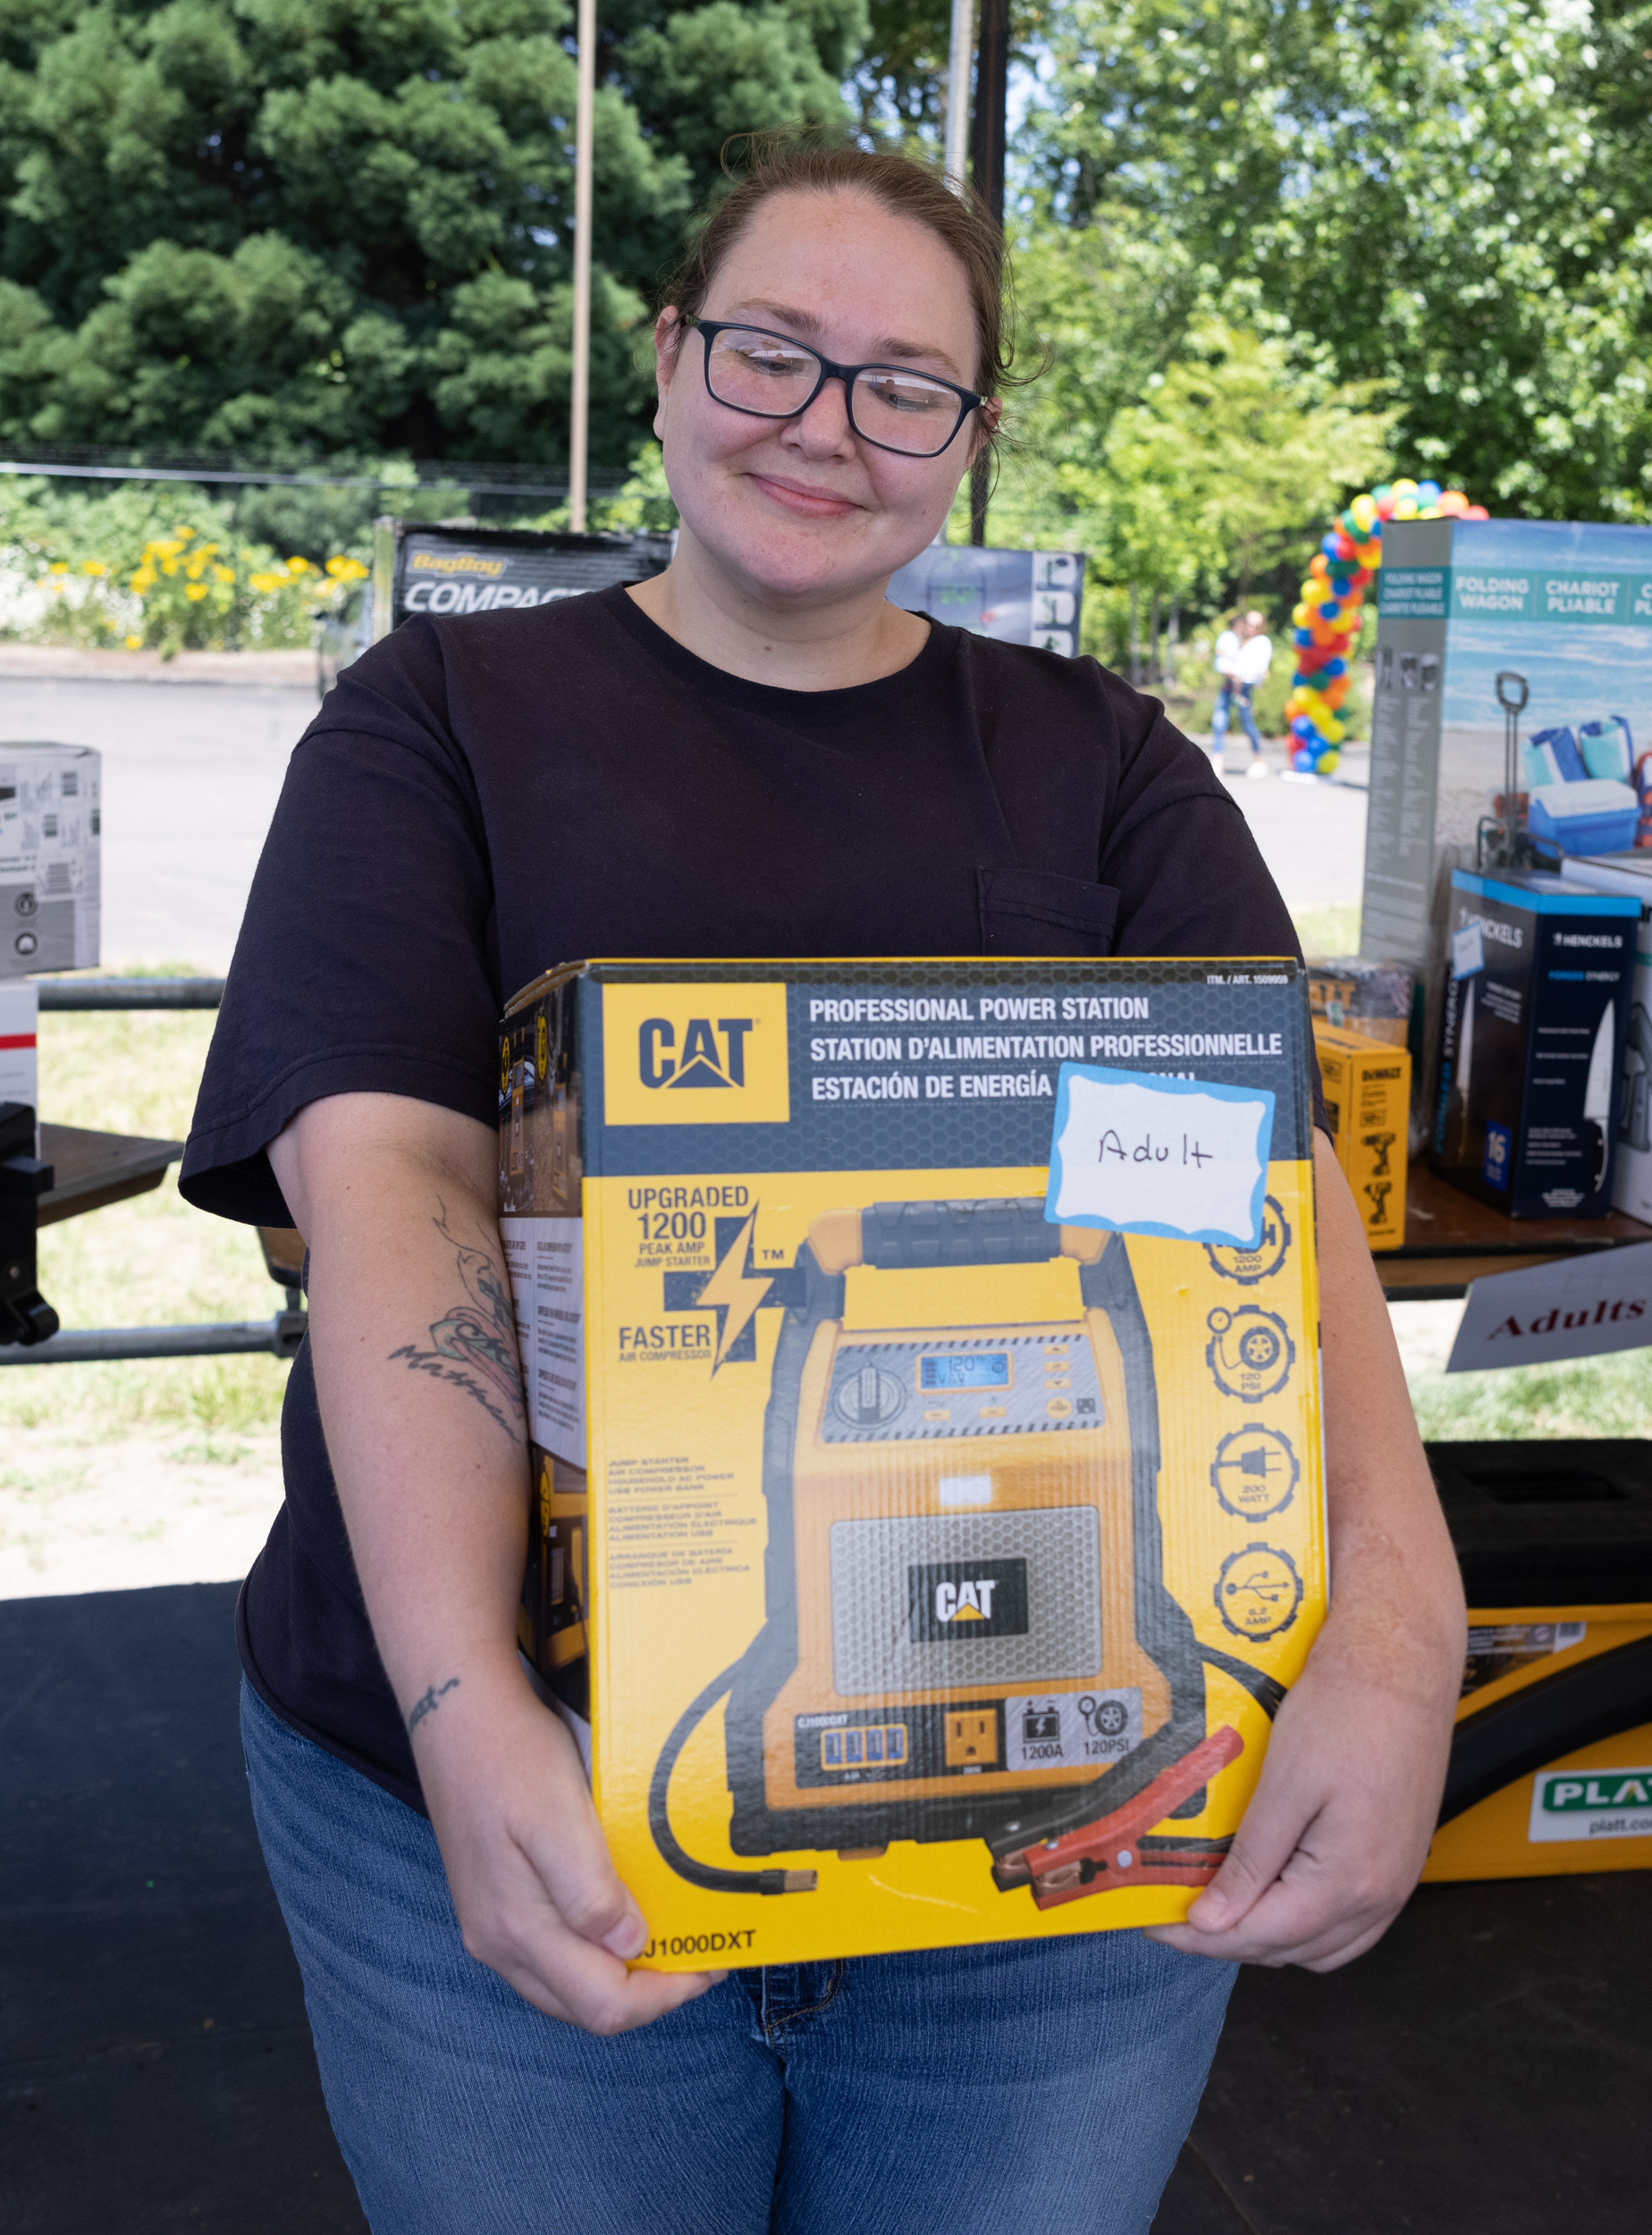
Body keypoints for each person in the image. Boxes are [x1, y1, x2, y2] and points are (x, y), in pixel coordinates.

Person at [181, 144, 1463, 2235]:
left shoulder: (1105, 765)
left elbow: (1259, 1186)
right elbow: (392, 1182)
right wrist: (463, 1694)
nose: (826, 424)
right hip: (505, 1796)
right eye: (771, 350)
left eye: (904, 385)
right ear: (669, 356)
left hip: (1057, 1842)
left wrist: (1402, 1633)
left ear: (969, 434)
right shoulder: (442, 718)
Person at [1211, 609, 1271, 777]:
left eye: (1256, 625)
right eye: (1249, 623)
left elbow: (1259, 668)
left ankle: (1259, 760)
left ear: (1261, 627)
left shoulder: (1261, 642)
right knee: (1219, 722)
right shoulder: (1235, 638)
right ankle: (1217, 761)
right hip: (1229, 684)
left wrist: (1237, 673)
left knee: (1247, 723)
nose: (1251, 627)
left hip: (1243, 687)